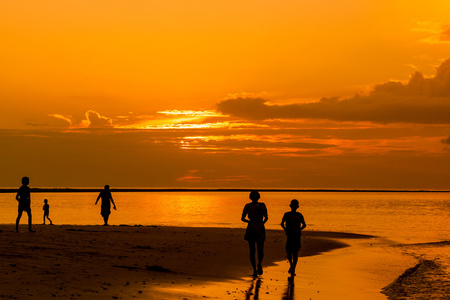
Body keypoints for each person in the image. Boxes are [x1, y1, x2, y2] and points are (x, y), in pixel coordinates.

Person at [241, 190, 268, 276]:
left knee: (252, 250)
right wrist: (262, 223)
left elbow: (242, 218)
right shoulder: (262, 205)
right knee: (260, 249)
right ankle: (259, 263)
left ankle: (254, 269)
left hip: (251, 226)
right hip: (260, 226)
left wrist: (249, 222)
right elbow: (266, 217)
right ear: (258, 197)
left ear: (250, 197)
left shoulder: (248, 206)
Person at [280, 199, 306, 276]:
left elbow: (304, 225)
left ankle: (293, 267)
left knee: (294, 253)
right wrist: (286, 230)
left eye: (295, 206)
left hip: (295, 235)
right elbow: (282, 223)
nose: (294, 207)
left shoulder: (299, 215)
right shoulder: (287, 214)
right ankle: (292, 266)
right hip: (291, 235)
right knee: (289, 253)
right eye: (293, 206)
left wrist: (298, 230)